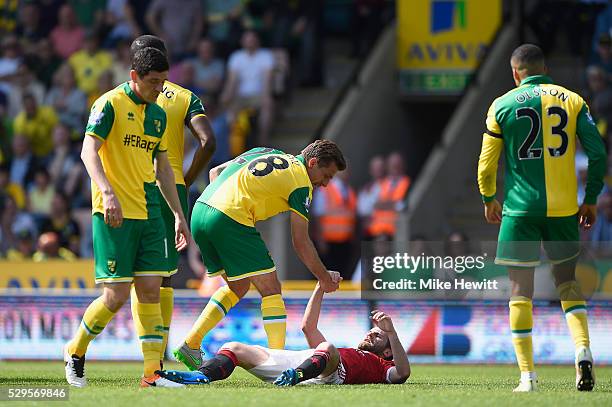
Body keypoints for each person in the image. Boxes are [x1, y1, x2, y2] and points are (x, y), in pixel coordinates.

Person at [477, 44, 607, 392]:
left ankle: (527, 377)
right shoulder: (573, 100)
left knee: (521, 291)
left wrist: (489, 197)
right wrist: (590, 199)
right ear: (544, 68)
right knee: (568, 283)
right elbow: (598, 154)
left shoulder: (502, 105)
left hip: (519, 211)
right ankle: (582, 351)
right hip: (564, 209)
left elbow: (487, 163)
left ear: (515, 72)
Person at [63, 46, 190, 388]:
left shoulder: (159, 115)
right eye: (152, 82)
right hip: (113, 211)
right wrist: (106, 192)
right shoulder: (109, 104)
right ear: (134, 76)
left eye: (163, 83)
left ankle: (152, 373)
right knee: (116, 295)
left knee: (150, 288)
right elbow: (88, 150)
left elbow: (162, 167)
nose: (158, 89)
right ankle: (75, 351)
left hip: (148, 210)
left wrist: (178, 214)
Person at [173, 140, 346, 371]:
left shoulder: (264, 151)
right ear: (312, 163)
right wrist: (324, 277)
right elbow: (300, 241)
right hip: (230, 218)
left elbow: (215, 172)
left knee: (238, 286)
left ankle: (191, 344)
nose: (325, 183)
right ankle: (279, 363)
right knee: (271, 289)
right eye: (326, 175)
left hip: (201, 209)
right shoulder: (301, 182)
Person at [128, 34, 217, 368]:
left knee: (136, 272)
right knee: (164, 272)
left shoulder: (122, 98)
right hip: (172, 186)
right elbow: (208, 142)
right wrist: (186, 179)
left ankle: (148, 352)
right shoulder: (184, 96)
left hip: (132, 185)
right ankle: (161, 350)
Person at [157, 282, 410, 386]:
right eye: (373, 331)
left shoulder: (382, 367)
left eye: (378, 336)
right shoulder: (347, 350)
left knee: (328, 348)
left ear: (387, 350)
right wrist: (320, 287)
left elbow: (403, 373)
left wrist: (392, 331)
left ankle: (295, 376)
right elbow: (307, 327)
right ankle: (200, 376)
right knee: (234, 347)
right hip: (304, 363)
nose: (370, 335)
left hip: (328, 372)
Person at [312, 169, 357, 280]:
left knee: (343, 273)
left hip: (345, 241)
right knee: (329, 273)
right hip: (329, 240)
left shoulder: (349, 191)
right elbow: (318, 216)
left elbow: (352, 215)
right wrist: (321, 240)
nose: (346, 173)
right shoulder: (325, 189)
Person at [368, 152, 410, 240]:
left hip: (396, 232)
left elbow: (403, 206)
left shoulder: (406, 182)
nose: (395, 167)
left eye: (397, 164)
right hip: (378, 233)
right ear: (387, 166)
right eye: (392, 165)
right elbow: (373, 205)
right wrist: (393, 205)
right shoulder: (381, 184)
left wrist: (383, 205)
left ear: (402, 166)